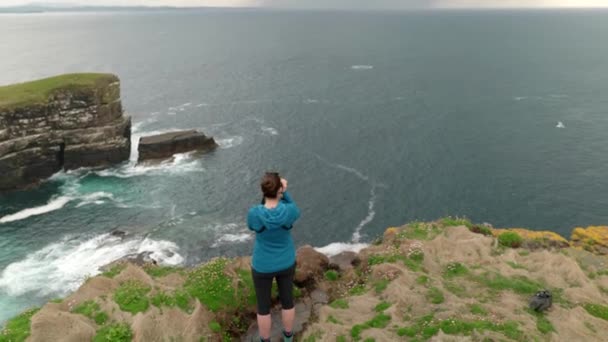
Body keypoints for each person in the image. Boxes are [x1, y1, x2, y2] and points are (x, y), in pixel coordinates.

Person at [247, 172, 301, 342]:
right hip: (286, 262)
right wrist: (284, 192)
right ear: (279, 189)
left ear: (263, 191)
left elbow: (253, 224)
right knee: (287, 302)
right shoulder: (289, 211)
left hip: (262, 265)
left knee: (263, 308)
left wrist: (274, 192)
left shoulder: (254, 213)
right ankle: (288, 337)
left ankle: (265, 340)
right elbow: (293, 207)